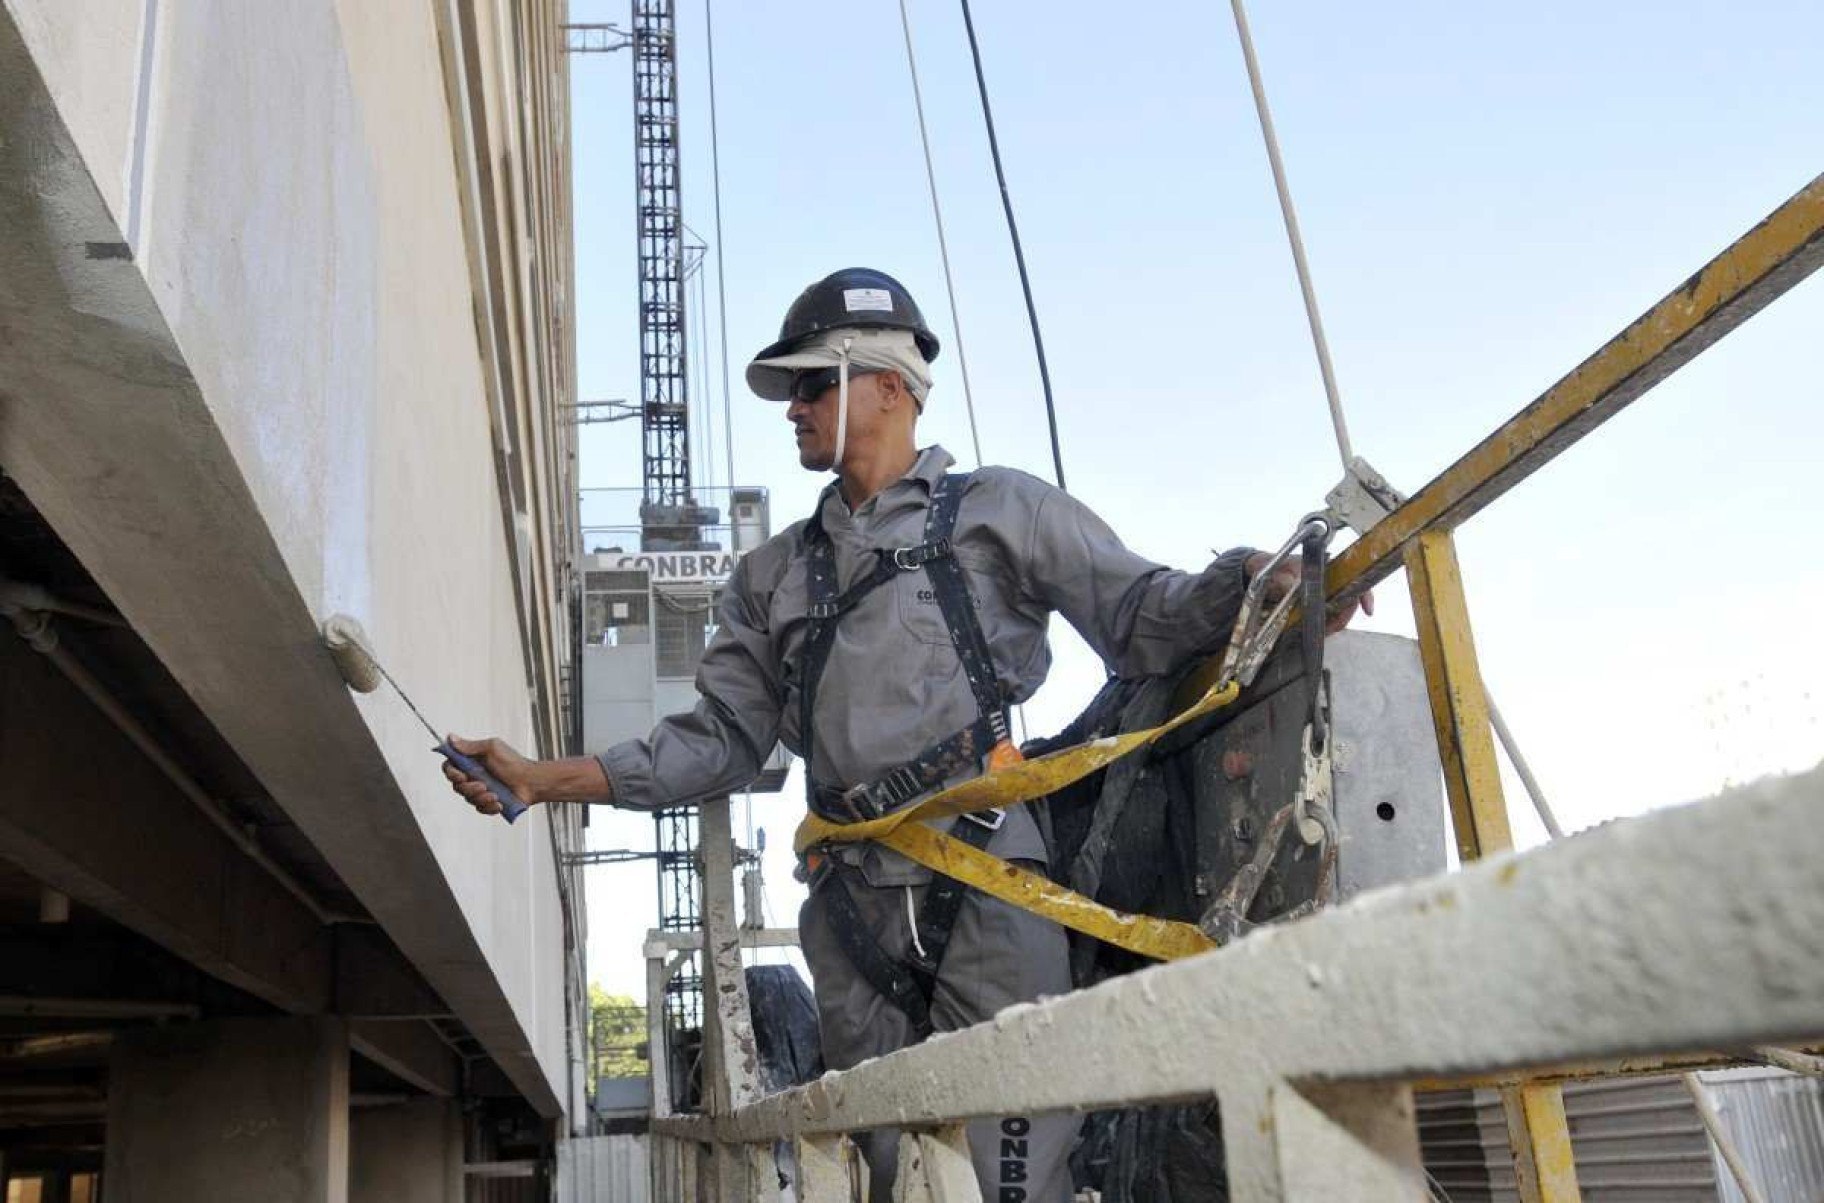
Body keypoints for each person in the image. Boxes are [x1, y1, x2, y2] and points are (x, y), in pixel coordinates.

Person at [443, 267, 1367, 1201]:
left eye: (812, 385)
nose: (793, 408)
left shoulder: (1003, 512)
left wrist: (1253, 580)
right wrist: (540, 779)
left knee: (1014, 1178)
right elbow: (720, 738)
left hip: (989, 884)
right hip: (850, 919)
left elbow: (1140, 615)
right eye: (792, 391)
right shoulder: (769, 579)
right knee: (889, 1177)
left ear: (888, 384)